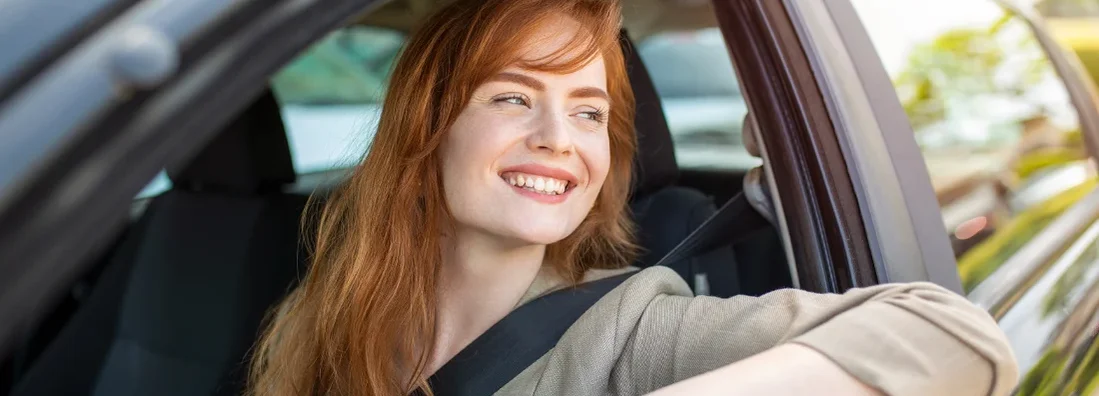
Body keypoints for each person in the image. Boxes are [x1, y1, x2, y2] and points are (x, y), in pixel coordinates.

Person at [248, 0, 1019, 395]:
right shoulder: (332, 310)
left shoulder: (629, 331)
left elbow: (956, 338)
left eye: (587, 112)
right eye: (513, 98)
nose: (559, 137)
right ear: (430, 124)